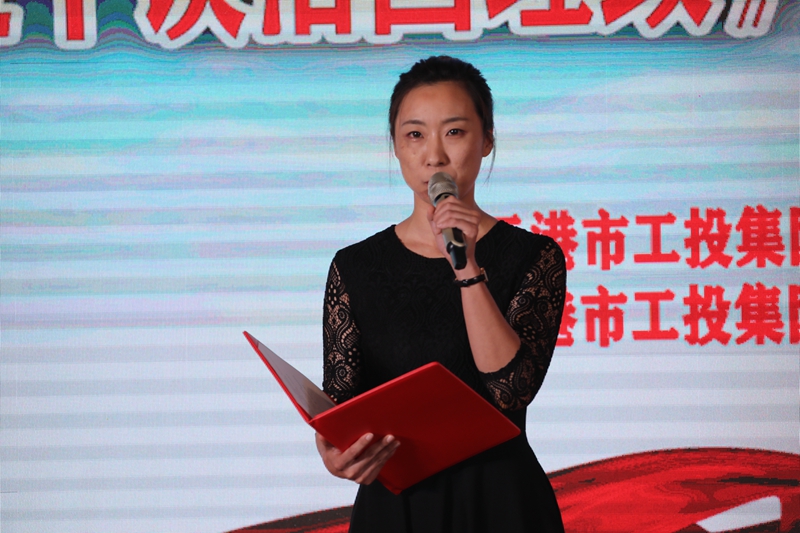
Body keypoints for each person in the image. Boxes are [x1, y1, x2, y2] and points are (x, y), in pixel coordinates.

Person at [315, 55, 567, 532]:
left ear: (487, 139)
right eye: (415, 134)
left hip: (501, 505)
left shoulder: (533, 255)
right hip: (397, 507)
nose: (434, 155)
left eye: (454, 132)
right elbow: (341, 403)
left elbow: (510, 390)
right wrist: (334, 451)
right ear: (395, 145)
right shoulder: (355, 266)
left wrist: (467, 266)